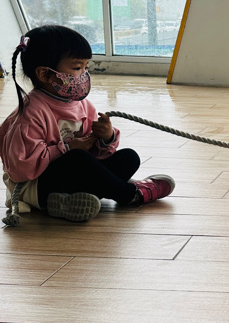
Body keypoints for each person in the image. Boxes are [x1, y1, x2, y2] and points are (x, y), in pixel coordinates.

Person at [1, 25, 175, 223]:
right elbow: (21, 169)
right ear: (45, 74)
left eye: (86, 67)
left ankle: (65, 201)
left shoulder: (82, 105)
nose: (84, 75)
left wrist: (106, 137)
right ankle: (130, 194)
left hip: (71, 178)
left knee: (129, 158)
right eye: (77, 68)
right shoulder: (30, 114)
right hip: (35, 187)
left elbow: (97, 154)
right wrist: (67, 148)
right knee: (78, 159)